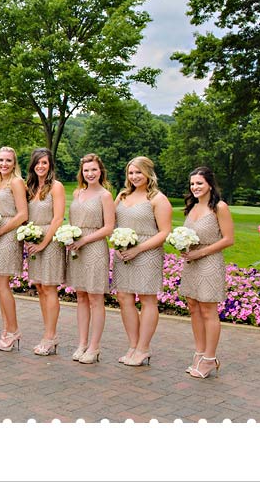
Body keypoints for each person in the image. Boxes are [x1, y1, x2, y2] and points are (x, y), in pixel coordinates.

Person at [113, 156, 173, 367]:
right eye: (131, 172)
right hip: (123, 254)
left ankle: (144, 348)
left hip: (147, 254)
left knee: (147, 299)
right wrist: (117, 245)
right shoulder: (121, 196)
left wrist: (138, 249)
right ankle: (133, 345)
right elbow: (113, 223)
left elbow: (164, 232)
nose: (134, 176)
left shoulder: (157, 199)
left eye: (138, 172)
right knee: (124, 297)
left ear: (148, 173)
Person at [179, 166, 234, 378]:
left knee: (208, 309)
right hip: (191, 263)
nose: (195, 187)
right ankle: (199, 353)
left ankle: (210, 358)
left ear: (210, 184)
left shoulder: (220, 207)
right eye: (192, 184)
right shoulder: (191, 207)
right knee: (193, 306)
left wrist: (200, 253)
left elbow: (228, 239)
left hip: (209, 263)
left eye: (199, 183)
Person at [66, 154, 115, 364]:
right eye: (86, 170)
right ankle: (82, 343)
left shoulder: (105, 195)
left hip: (94, 248)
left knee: (95, 298)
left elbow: (109, 227)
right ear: (82, 173)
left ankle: (94, 347)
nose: (90, 174)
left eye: (94, 170)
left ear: (100, 171)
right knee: (81, 297)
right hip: (77, 248)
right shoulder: (78, 193)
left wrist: (85, 240)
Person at [24, 148, 67, 356]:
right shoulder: (30, 187)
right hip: (34, 242)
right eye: (37, 163)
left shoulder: (56, 187)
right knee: (40, 287)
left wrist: (43, 243)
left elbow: (58, 218)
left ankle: (50, 337)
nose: (40, 167)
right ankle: (48, 333)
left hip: (49, 243)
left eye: (44, 163)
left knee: (49, 288)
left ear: (50, 165)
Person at [0, 147, 28, 351]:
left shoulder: (16, 182)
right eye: (1, 160)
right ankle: (6, 328)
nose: (4, 164)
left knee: (1, 283)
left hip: (9, 236)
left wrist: (1, 231)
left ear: (14, 163)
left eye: (8, 161)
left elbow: (22, 215)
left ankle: (14, 330)